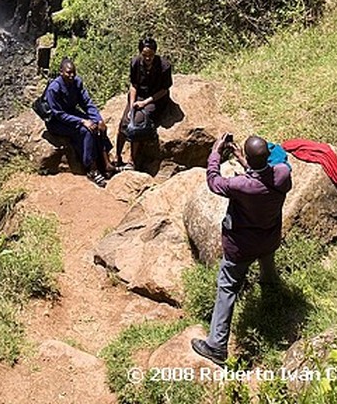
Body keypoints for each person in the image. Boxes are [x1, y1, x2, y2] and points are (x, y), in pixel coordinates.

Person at [191, 134, 292, 365]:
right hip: (268, 238)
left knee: (227, 287)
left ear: (248, 157)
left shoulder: (240, 185)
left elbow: (214, 181)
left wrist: (216, 152)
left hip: (241, 247)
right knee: (267, 265)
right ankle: (273, 293)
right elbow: (264, 177)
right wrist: (245, 161)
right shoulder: (283, 175)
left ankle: (216, 345)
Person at [45, 58, 112, 188]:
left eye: (73, 73)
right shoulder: (54, 89)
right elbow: (59, 114)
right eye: (68, 73)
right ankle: (91, 168)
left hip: (71, 113)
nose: (71, 76)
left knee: (97, 126)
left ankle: (106, 162)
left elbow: (86, 102)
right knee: (85, 131)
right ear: (61, 72)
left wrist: (98, 119)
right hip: (57, 121)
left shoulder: (76, 82)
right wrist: (82, 121)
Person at [115, 36, 172, 171]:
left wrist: (145, 102)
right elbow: (134, 85)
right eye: (145, 55)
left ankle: (132, 160)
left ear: (155, 53)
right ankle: (117, 156)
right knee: (125, 121)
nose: (147, 58)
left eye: (150, 55)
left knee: (138, 121)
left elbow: (164, 89)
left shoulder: (164, 66)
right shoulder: (135, 62)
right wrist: (133, 103)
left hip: (155, 97)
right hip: (139, 95)